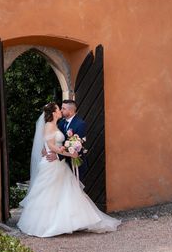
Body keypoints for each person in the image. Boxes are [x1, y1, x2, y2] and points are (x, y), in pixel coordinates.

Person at [17, 102, 121, 238]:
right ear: (54, 113)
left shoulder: (69, 124)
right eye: (59, 109)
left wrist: (66, 151)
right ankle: (48, 224)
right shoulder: (52, 125)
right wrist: (66, 153)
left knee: (66, 192)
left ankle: (72, 222)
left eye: (63, 108)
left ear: (70, 111)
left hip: (61, 164)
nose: (61, 110)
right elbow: (51, 145)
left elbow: (61, 142)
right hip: (51, 164)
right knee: (50, 193)